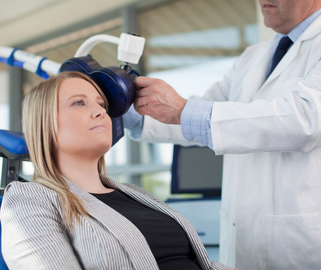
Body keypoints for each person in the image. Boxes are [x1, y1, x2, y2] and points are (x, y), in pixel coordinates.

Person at [122, 1, 321, 269]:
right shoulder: (254, 56)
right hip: (242, 237)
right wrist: (131, 113)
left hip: (301, 245)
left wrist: (182, 109)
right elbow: (201, 115)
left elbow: (304, 119)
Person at [0, 71, 234, 270]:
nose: (101, 111)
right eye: (79, 102)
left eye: (101, 104)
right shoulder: (29, 199)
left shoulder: (136, 194)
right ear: (45, 124)